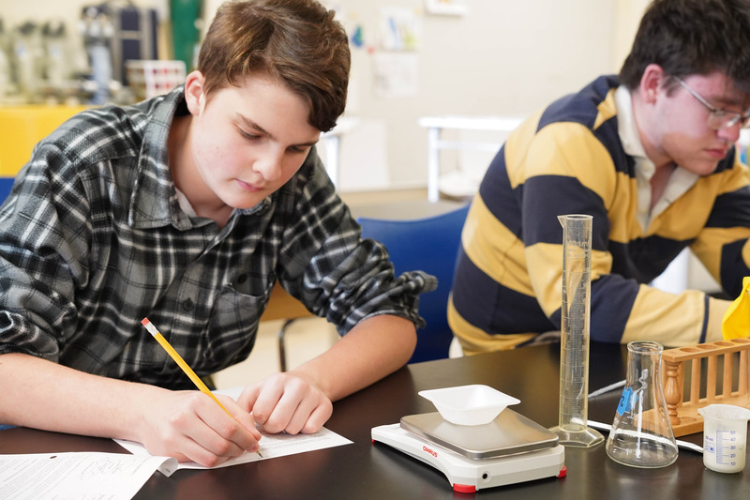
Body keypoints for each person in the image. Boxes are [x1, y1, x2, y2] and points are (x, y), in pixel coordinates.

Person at [0, 0, 434, 467]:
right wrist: (143, 412)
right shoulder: (84, 164)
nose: (270, 169)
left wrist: (316, 379)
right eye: (251, 133)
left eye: (297, 148)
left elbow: (389, 316)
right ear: (197, 93)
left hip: (191, 459)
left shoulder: (295, 178)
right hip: (47, 451)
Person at [449, 0, 750, 355]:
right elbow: (581, 303)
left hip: (602, 346)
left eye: (744, 115)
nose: (732, 134)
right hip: (502, 355)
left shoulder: (713, 163)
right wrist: (736, 319)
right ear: (654, 83)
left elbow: (739, 265)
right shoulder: (571, 140)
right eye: (720, 111)